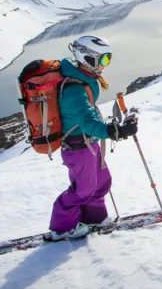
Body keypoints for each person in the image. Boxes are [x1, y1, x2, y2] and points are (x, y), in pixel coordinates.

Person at [48, 35, 138, 240]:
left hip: (89, 144)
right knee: (83, 190)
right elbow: (87, 121)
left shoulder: (83, 80)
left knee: (102, 181)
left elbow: (88, 116)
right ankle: (61, 228)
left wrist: (114, 127)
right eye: (104, 59)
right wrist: (116, 132)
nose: (106, 64)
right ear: (88, 58)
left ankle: (94, 218)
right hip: (78, 148)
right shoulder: (74, 90)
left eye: (108, 59)